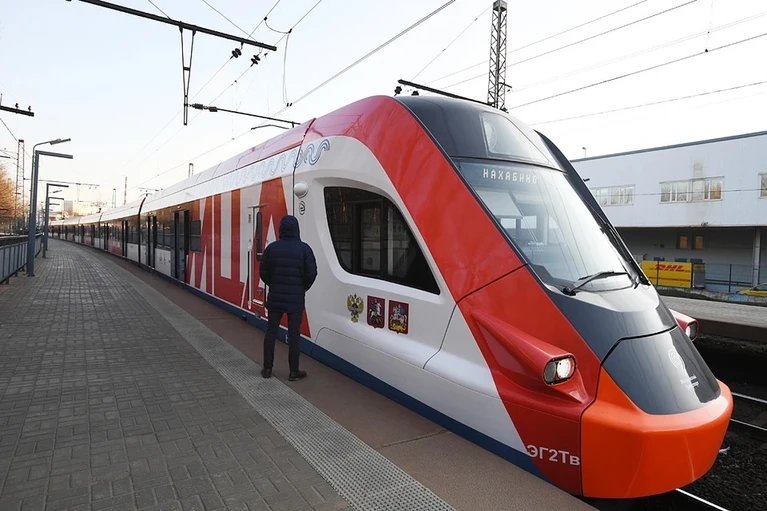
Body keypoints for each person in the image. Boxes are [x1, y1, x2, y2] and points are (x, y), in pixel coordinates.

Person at [258, 215, 318, 381]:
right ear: (297, 229)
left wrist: (273, 283)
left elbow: (263, 272)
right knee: (294, 335)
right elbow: (312, 273)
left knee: (271, 332)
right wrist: (302, 287)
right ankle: (293, 371)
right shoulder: (305, 249)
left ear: (281, 229)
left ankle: (267, 369)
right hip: (295, 299)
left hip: (275, 297)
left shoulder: (271, 249)